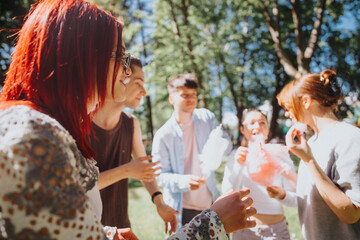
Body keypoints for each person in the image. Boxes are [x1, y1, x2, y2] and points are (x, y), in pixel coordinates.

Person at [0, 0, 257, 239]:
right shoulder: (33, 137)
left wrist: (104, 234)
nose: (126, 69)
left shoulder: (46, 128)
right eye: (121, 57)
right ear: (81, 58)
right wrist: (214, 224)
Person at [90, 56, 178, 234]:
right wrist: (127, 170)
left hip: (121, 224)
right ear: (121, 78)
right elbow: (79, 185)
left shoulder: (131, 123)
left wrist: (159, 201)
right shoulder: (83, 122)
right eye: (138, 83)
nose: (144, 92)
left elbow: (144, 169)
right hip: (88, 227)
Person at [277, 69, 360, 240]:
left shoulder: (349, 137)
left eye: (288, 106)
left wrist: (308, 160)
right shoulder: (311, 142)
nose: (287, 113)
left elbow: (351, 213)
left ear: (306, 101)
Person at [152, 73, 232, 229]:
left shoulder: (207, 117)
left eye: (194, 94)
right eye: (185, 95)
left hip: (212, 204)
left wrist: (219, 147)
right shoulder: (163, 135)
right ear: (171, 99)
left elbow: (226, 145)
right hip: (183, 209)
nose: (191, 98)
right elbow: (159, 176)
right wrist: (184, 181)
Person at [222, 109, 297, 239]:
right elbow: (227, 192)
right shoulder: (236, 155)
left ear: (268, 129)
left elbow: (297, 198)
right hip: (245, 230)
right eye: (252, 123)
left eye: (262, 123)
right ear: (242, 129)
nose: (257, 126)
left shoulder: (279, 155)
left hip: (276, 232)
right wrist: (238, 164)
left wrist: (282, 195)